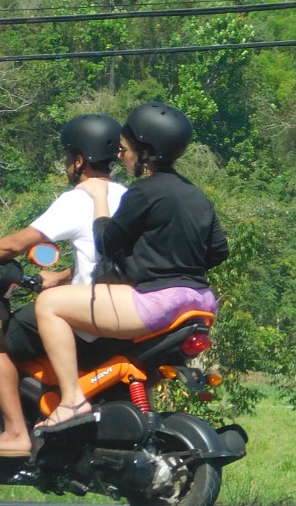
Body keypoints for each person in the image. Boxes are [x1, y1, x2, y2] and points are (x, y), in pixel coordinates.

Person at [31, 101, 228, 429]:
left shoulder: (144, 191)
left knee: (49, 304)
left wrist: (99, 198)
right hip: (200, 301)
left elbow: (106, 243)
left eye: (124, 149)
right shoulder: (197, 195)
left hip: (157, 302)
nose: (121, 156)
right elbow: (218, 251)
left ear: (145, 151)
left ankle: (71, 401)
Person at [0, 114, 127, 455]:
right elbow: (107, 257)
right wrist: (62, 277)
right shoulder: (125, 196)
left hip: (89, 321)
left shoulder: (80, 198)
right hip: (122, 315)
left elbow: (17, 244)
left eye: (67, 155)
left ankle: (16, 433)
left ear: (79, 159)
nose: (66, 163)